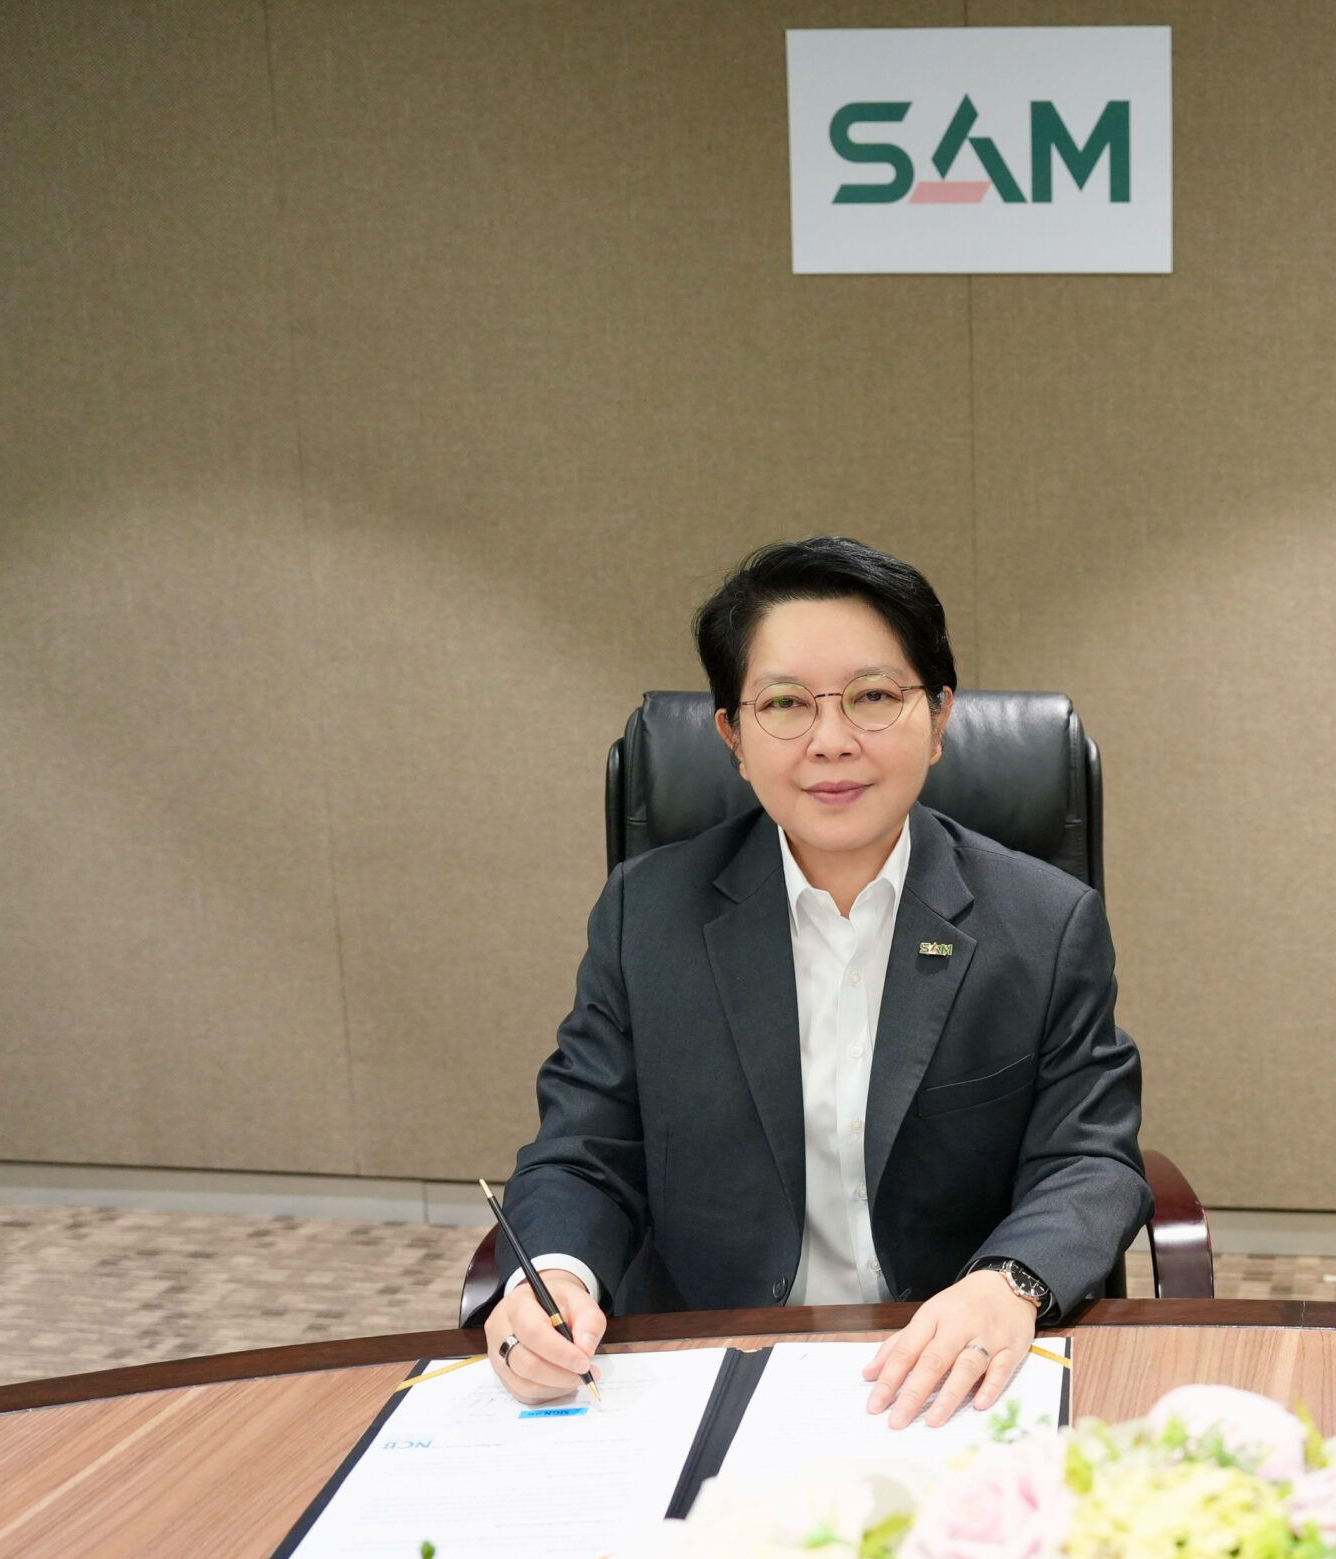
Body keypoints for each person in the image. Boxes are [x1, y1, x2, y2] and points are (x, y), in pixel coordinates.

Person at [486, 537, 1150, 1426]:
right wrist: (554, 1280)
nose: (832, 742)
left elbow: (1089, 1158)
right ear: (733, 737)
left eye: (874, 696)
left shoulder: (1044, 923)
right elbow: (584, 1150)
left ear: (939, 718)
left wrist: (1008, 1282)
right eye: (785, 704)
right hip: (704, 1368)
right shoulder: (647, 914)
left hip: (942, 1374)